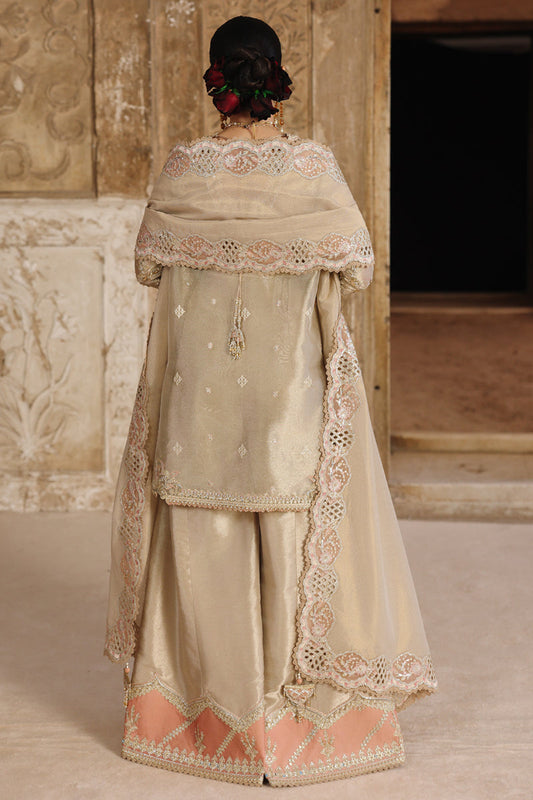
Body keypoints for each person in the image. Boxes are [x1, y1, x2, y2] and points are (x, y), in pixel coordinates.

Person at [104, 15, 437, 787]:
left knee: (202, 540)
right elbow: (355, 267)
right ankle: (297, 731)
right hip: (290, 399)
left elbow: (148, 267)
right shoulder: (312, 170)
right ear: (277, 80)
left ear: (214, 81)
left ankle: (201, 728)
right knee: (294, 539)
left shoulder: (184, 169)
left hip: (198, 401)